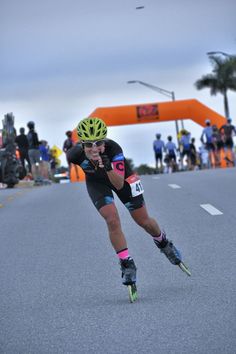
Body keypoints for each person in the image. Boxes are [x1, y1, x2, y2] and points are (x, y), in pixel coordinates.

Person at [67, 117, 189, 292]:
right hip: (97, 183)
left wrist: (108, 167)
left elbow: (118, 184)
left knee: (144, 221)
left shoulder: (114, 149)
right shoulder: (74, 154)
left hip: (122, 179)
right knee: (112, 220)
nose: (94, 149)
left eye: (99, 143)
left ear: (105, 140)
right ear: (82, 145)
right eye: (89, 145)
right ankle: (126, 263)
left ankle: (164, 243)